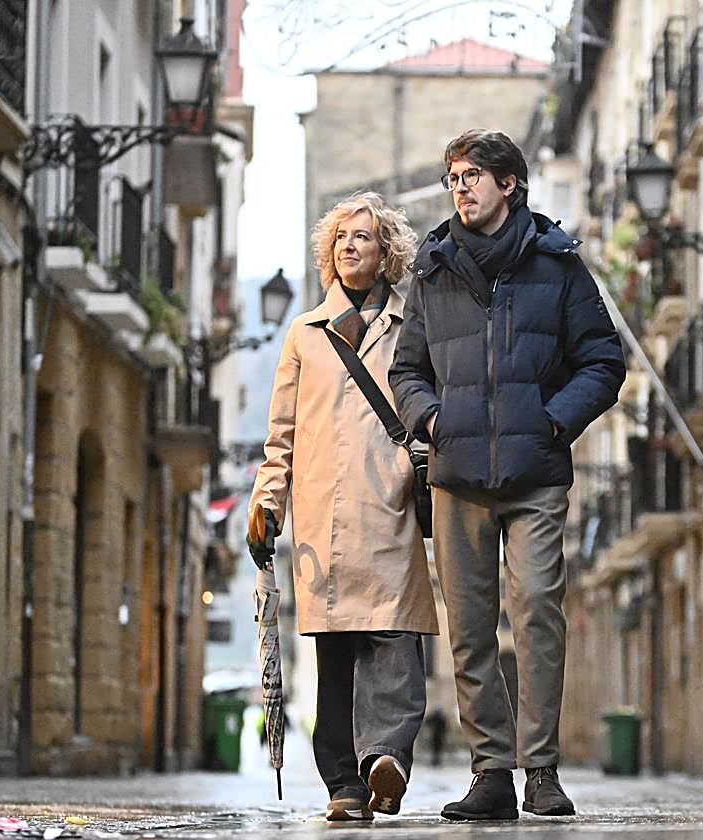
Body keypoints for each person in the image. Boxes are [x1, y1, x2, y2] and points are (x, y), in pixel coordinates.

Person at [389, 129, 626, 820]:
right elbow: (408, 369)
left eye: (472, 176)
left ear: (509, 184)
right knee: (466, 627)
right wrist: (431, 419)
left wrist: (553, 422)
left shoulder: (558, 266)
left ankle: (542, 771)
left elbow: (603, 361)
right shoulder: (431, 270)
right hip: (457, 474)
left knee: (536, 615)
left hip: (536, 472)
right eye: (453, 178)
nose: (459, 187)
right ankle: (491, 771)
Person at [247, 192, 439, 822]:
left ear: (388, 252)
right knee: (333, 653)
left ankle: (385, 757)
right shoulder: (304, 335)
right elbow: (281, 435)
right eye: (340, 238)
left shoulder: (416, 327)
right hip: (322, 516)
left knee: (394, 640)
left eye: (364, 236)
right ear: (329, 254)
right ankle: (343, 785)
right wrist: (267, 500)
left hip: (390, 504)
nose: (350, 245)